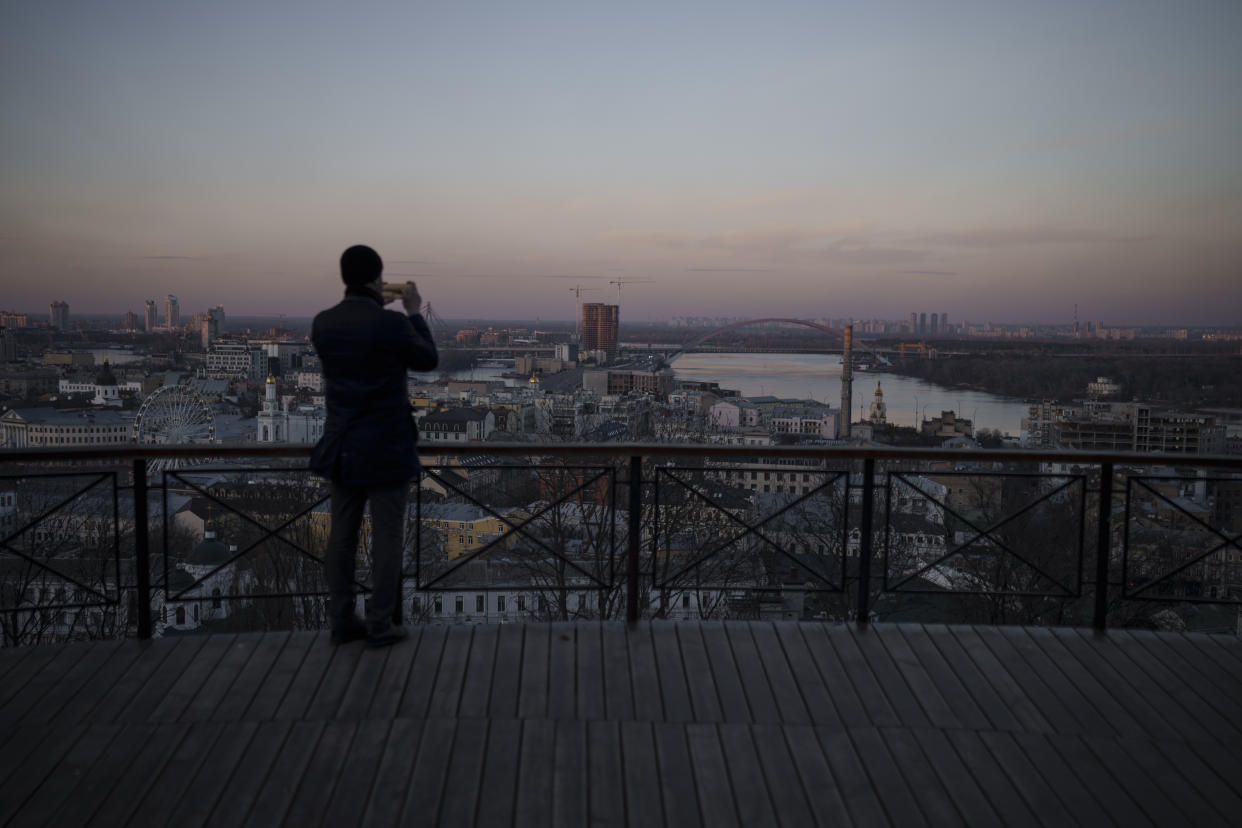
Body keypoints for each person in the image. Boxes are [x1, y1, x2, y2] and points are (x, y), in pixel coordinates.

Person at [310, 244, 438, 646]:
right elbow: (427, 360)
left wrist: (371, 302)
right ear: (376, 279)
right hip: (386, 448)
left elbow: (352, 351)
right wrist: (413, 311)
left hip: (342, 447)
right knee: (387, 539)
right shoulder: (390, 325)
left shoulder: (322, 324)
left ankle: (341, 619)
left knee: (342, 538)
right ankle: (381, 622)